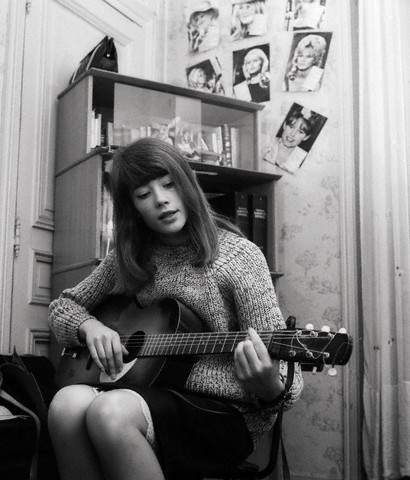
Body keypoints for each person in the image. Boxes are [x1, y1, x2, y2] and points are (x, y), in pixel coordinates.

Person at [48, 137, 303, 480]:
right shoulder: (129, 257)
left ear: (187, 184)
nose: (161, 200)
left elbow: (288, 380)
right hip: (148, 391)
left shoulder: (239, 257)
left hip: (226, 414)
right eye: (143, 194)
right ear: (132, 208)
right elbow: (64, 306)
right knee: (65, 406)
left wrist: (270, 385)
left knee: (110, 411)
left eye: (169, 184)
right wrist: (89, 327)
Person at [263, 106, 318, 174]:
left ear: (306, 137)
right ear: (284, 125)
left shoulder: (303, 158)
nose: (292, 134)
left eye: (300, 132)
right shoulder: (267, 141)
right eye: (291, 127)